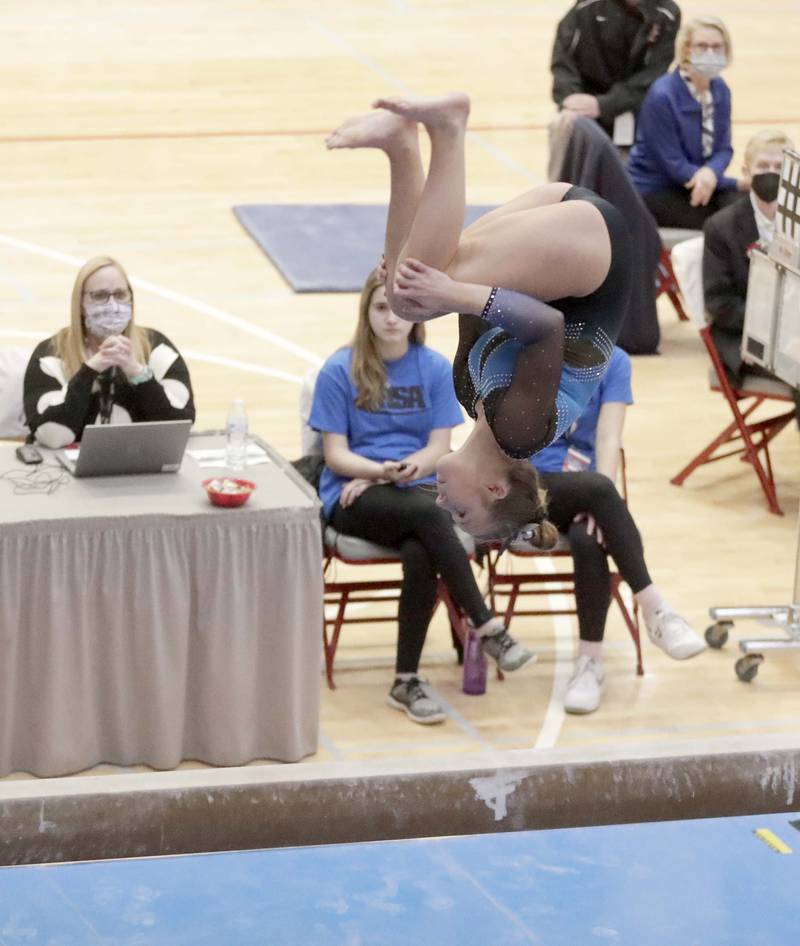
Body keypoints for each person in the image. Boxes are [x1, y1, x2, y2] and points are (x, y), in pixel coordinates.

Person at [327, 92, 632, 545]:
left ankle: (400, 144)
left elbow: (470, 307)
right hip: (597, 256)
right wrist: (447, 291)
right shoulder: (522, 434)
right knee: (418, 295)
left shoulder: (471, 398)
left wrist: (408, 263)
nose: (442, 503)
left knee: (411, 286)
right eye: (463, 512)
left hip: (567, 228)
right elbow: (543, 327)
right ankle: (446, 129)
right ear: (495, 488)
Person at [309, 269, 536, 726]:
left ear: (416, 314)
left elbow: (438, 448)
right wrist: (379, 474)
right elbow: (335, 456)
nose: (390, 318)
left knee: (420, 551)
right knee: (427, 517)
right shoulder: (339, 370)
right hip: (356, 497)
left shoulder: (433, 367)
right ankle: (485, 624)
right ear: (365, 313)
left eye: (398, 308)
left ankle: (405, 679)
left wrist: (408, 469)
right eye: (379, 307)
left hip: (412, 491)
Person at [527, 346, 706, 714]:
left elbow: (609, 439)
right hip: (531, 489)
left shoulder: (614, 361)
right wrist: (599, 494)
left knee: (587, 537)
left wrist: (597, 500)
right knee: (598, 492)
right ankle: (654, 607)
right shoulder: (527, 352)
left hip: (587, 490)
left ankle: (589, 661)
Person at [24, 256, 195, 447]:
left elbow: (180, 428)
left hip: (138, 468)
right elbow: (51, 436)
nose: (112, 305)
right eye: (100, 295)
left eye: (120, 294)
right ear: (80, 303)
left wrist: (138, 373)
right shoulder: (51, 355)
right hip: (63, 472)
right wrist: (89, 372)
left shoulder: (157, 349)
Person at [703, 129, 800, 420]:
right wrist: (774, 331)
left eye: (779, 168)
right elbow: (719, 304)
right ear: (746, 172)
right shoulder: (721, 228)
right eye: (762, 167)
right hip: (746, 337)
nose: (770, 173)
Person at [627, 15, 744, 229]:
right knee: (725, 224)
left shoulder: (720, 90)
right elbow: (671, 163)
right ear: (686, 50)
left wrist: (709, 174)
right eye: (702, 46)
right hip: (657, 188)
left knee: (745, 208)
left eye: (717, 47)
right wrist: (731, 182)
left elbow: (724, 150)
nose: (710, 53)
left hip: (701, 182)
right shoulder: (662, 95)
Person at [550, 1, 681, 138]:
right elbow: (563, 60)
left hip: (635, 107)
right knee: (561, 126)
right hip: (583, 103)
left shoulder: (667, 13)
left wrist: (604, 105)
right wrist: (570, 101)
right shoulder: (586, 6)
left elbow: (655, 72)